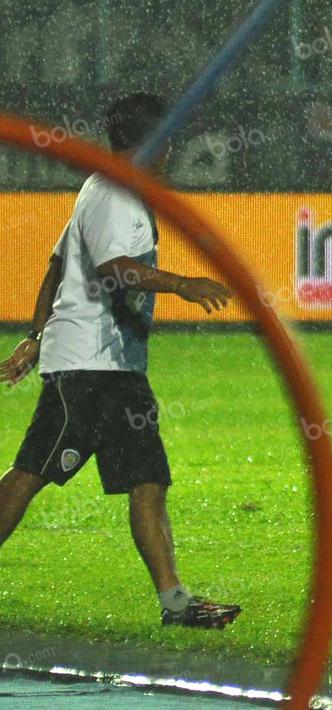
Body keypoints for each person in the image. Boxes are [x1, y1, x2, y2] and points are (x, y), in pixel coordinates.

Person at [0, 93, 241, 629]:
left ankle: (176, 604)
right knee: (32, 474)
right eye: (169, 135)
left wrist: (35, 336)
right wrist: (183, 284)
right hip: (92, 367)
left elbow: (56, 264)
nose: (172, 147)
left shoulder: (103, 185)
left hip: (108, 366)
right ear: (155, 139)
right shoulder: (113, 192)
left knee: (146, 478)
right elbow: (114, 268)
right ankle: (175, 602)